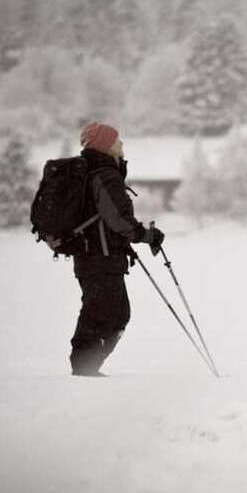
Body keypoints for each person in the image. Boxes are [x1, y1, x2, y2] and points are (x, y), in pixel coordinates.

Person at [69, 122, 164, 377]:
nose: (121, 145)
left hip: (96, 256)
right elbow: (117, 217)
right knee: (105, 314)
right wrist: (143, 235)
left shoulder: (93, 173)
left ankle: (86, 367)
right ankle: (83, 370)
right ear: (105, 146)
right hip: (100, 258)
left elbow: (105, 218)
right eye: (116, 141)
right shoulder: (103, 174)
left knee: (112, 314)